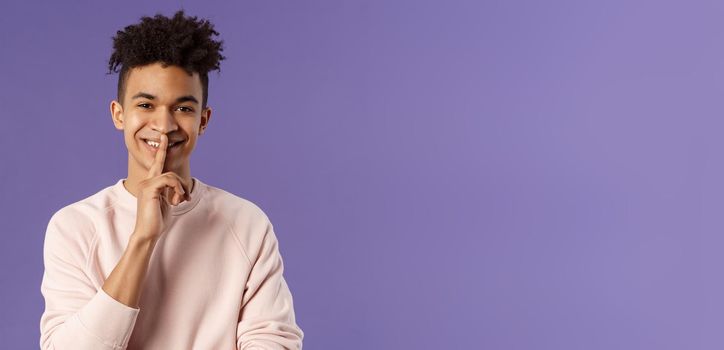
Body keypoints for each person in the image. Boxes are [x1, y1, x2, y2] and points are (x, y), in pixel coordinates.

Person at [39, 10, 304, 349]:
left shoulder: (247, 223)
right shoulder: (75, 227)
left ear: (203, 120)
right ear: (119, 114)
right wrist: (142, 240)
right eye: (146, 104)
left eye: (183, 108)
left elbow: (273, 342)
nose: (163, 125)